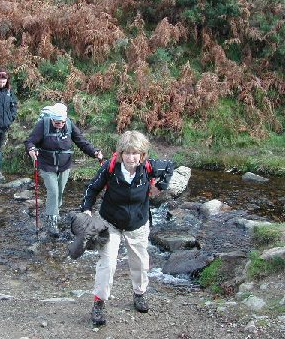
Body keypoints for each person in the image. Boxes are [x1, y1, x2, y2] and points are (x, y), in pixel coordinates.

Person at [80, 130, 174, 326]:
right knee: (108, 263)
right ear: (120, 154)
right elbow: (92, 188)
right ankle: (99, 302)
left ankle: (139, 294)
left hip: (138, 223)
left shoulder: (149, 167)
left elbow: (169, 167)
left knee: (140, 262)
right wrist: (86, 210)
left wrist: (161, 186)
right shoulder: (110, 167)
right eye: (127, 153)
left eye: (135, 153)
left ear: (142, 155)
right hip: (110, 222)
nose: (131, 158)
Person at [25, 102, 103, 237]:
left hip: (64, 165)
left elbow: (81, 141)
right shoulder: (43, 124)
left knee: (59, 192)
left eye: (61, 122)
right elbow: (30, 141)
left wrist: (94, 152)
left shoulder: (69, 124)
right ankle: (52, 220)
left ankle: (55, 211)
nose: (59, 124)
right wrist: (31, 149)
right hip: (47, 165)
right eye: (56, 122)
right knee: (53, 191)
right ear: (51, 119)